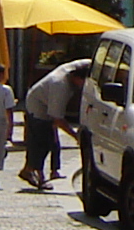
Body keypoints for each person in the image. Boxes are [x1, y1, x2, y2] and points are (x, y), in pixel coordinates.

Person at [20, 63, 86, 192]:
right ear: (77, 78)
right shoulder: (60, 87)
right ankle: (38, 177)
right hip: (38, 108)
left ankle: (31, 170)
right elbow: (58, 119)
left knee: (53, 142)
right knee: (41, 143)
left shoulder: (75, 67)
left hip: (45, 103)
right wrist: (75, 135)